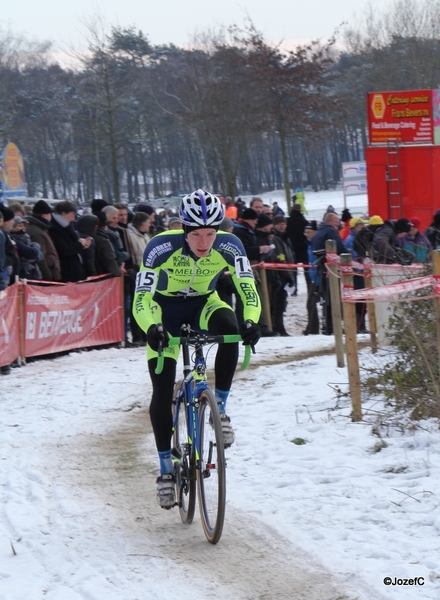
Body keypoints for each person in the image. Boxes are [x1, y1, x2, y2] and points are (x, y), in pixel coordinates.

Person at [132, 189, 261, 509]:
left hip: (204, 304)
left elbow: (248, 288)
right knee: (162, 389)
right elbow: (140, 299)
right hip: (164, 312)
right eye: (196, 235)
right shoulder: (159, 246)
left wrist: (251, 320)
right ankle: (165, 471)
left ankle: (221, 407)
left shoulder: (231, 245)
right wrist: (151, 328)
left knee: (231, 329)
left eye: (210, 234)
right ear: (183, 230)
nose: (204, 242)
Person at [312, 212, 348, 335]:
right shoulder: (331, 232)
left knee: (326, 298)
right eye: (336, 221)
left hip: (321, 268)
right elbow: (341, 248)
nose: (338, 223)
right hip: (331, 269)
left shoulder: (318, 233)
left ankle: (327, 325)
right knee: (334, 298)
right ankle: (333, 326)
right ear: (330, 221)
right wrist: (348, 256)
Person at [49, 201, 91, 282]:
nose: (73, 219)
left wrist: (83, 245)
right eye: (72, 215)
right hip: (66, 272)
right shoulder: (55, 229)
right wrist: (79, 245)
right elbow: (63, 249)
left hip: (74, 269)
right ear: (63, 214)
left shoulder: (67, 226)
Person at [25, 200, 61, 281]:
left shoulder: (39, 228)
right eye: (50, 214)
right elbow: (41, 258)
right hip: (47, 276)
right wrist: (48, 277)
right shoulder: (37, 232)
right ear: (45, 215)